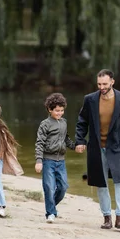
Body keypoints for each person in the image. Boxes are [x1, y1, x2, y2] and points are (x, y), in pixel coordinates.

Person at [75, 69, 120, 229]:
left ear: (112, 82)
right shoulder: (90, 99)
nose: (101, 87)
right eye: (99, 84)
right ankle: (106, 218)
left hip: (118, 145)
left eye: (104, 84)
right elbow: (82, 121)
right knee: (100, 182)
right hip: (97, 146)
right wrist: (80, 140)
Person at [35, 93, 76, 223]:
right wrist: (39, 161)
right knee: (49, 187)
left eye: (62, 110)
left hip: (61, 161)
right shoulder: (45, 124)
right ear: (50, 110)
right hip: (48, 161)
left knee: (63, 187)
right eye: (57, 111)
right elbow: (39, 143)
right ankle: (50, 213)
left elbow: (66, 139)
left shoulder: (63, 123)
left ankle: (51, 206)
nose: (60, 113)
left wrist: (75, 147)